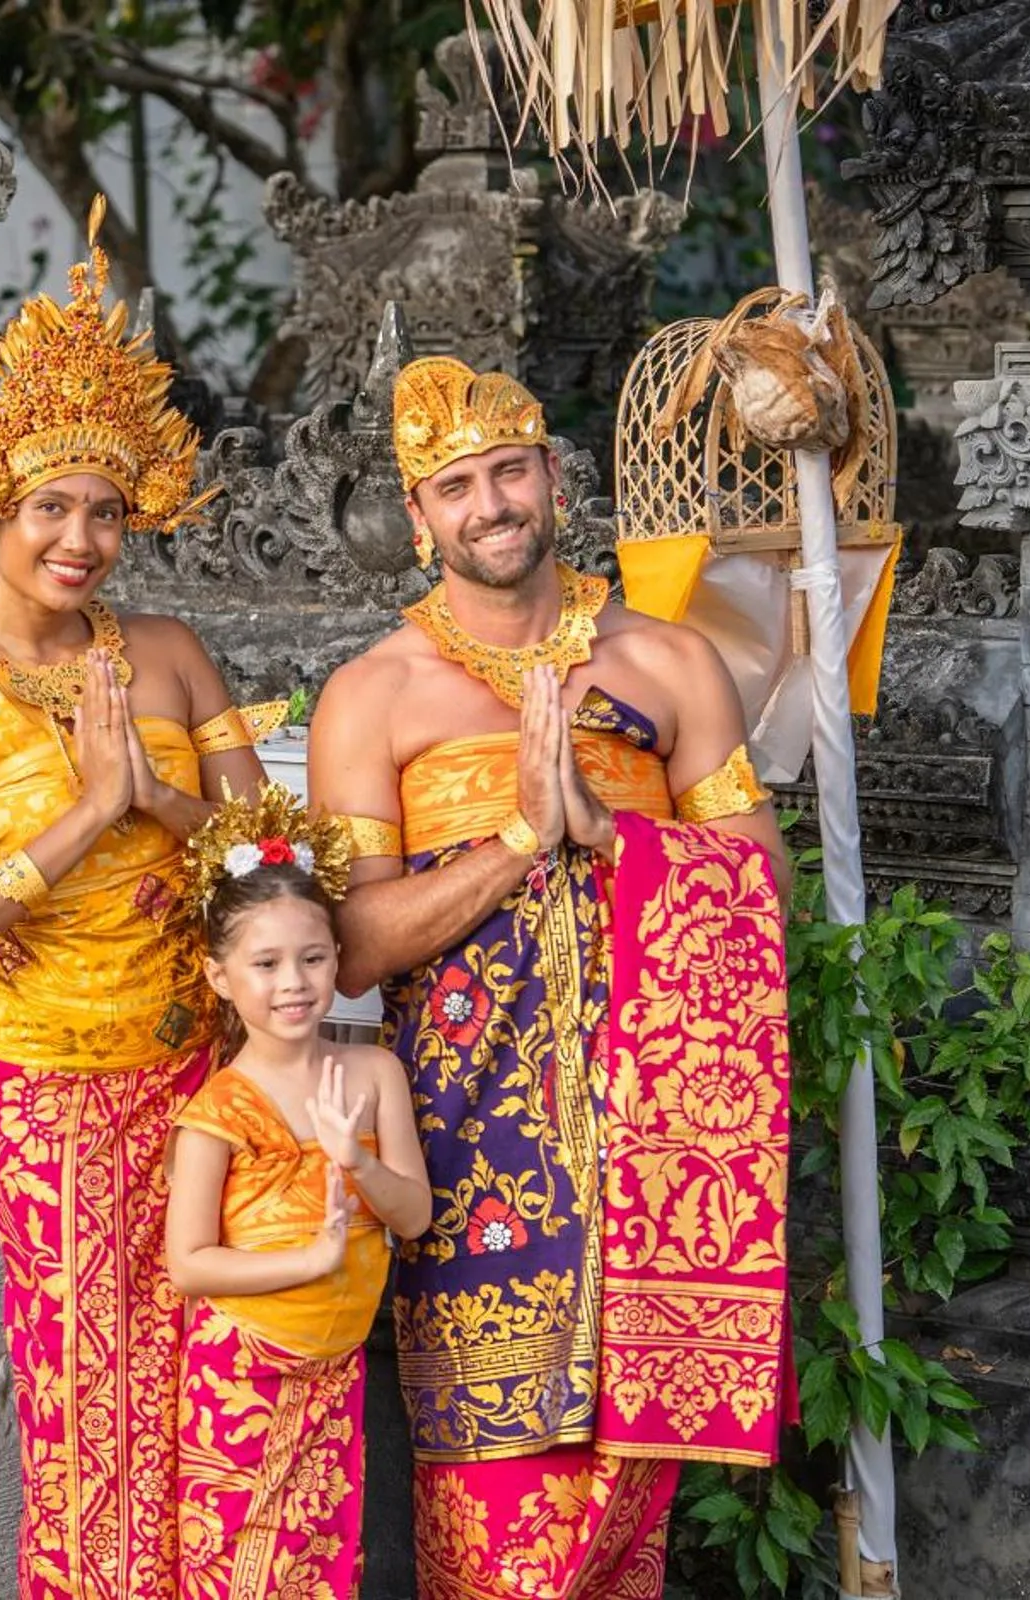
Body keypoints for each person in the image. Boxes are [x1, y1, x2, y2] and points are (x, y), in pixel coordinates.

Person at [307, 356, 795, 1598]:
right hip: (473, 1161)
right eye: (457, 486)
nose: (490, 505)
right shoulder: (371, 698)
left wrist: (611, 836)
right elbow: (352, 944)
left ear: (554, 480)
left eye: (509, 472)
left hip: (660, 1155)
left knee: (628, 1542)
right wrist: (522, 840)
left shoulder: (668, 663)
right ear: (420, 516)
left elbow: (766, 893)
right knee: (495, 1531)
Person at [0, 198, 267, 1600]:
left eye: (105, 510)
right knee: (93, 1387)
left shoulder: (168, 652)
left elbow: (274, 863)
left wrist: (155, 804)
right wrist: (86, 813)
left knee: (217, 1375)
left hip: (209, 1061)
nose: (80, 537)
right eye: (50, 507)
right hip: (53, 1088)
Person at [163, 784, 433, 1600]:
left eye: (313, 959)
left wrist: (358, 1162)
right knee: (238, 1574)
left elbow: (414, 1217)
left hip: (331, 1373)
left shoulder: (372, 1074)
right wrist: (310, 1260)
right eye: (266, 964)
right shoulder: (216, 1111)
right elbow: (190, 1265)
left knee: (321, 1566)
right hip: (240, 1371)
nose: (294, 982)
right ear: (218, 976)